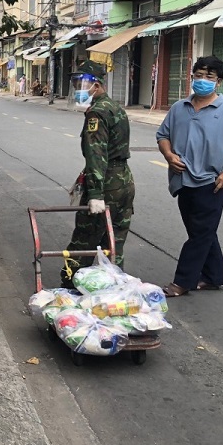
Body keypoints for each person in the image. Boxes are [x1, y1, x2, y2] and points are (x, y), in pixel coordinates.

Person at [156, 56, 223, 297]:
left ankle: (182, 282)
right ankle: (213, 277)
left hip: (212, 182)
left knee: (200, 233)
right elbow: (162, 135)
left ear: (218, 82)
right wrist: (169, 155)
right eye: (199, 75)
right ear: (192, 77)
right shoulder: (179, 108)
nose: (202, 80)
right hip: (181, 180)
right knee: (200, 231)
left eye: (209, 77)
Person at [60, 61, 134, 285]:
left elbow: (96, 156)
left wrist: (95, 193)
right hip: (124, 181)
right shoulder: (114, 106)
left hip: (107, 183)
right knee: (114, 242)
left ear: (97, 85)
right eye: (76, 83)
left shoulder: (97, 113)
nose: (79, 88)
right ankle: (114, 287)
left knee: (83, 240)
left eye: (82, 83)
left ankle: (69, 286)